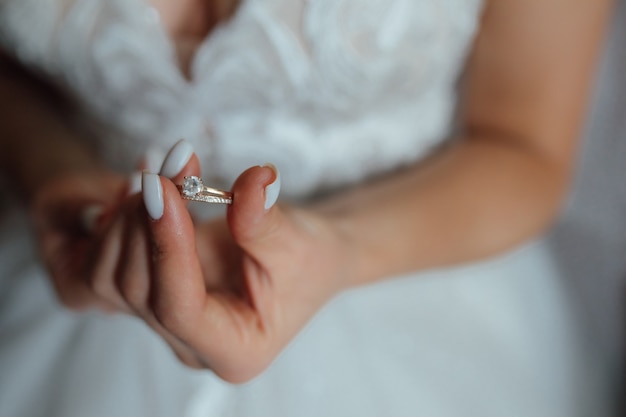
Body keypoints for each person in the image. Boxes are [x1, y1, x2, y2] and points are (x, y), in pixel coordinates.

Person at [0, 0, 617, 416]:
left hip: (402, 278)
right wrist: (57, 174)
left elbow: (523, 144)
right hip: (63, 271)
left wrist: (340, 247)